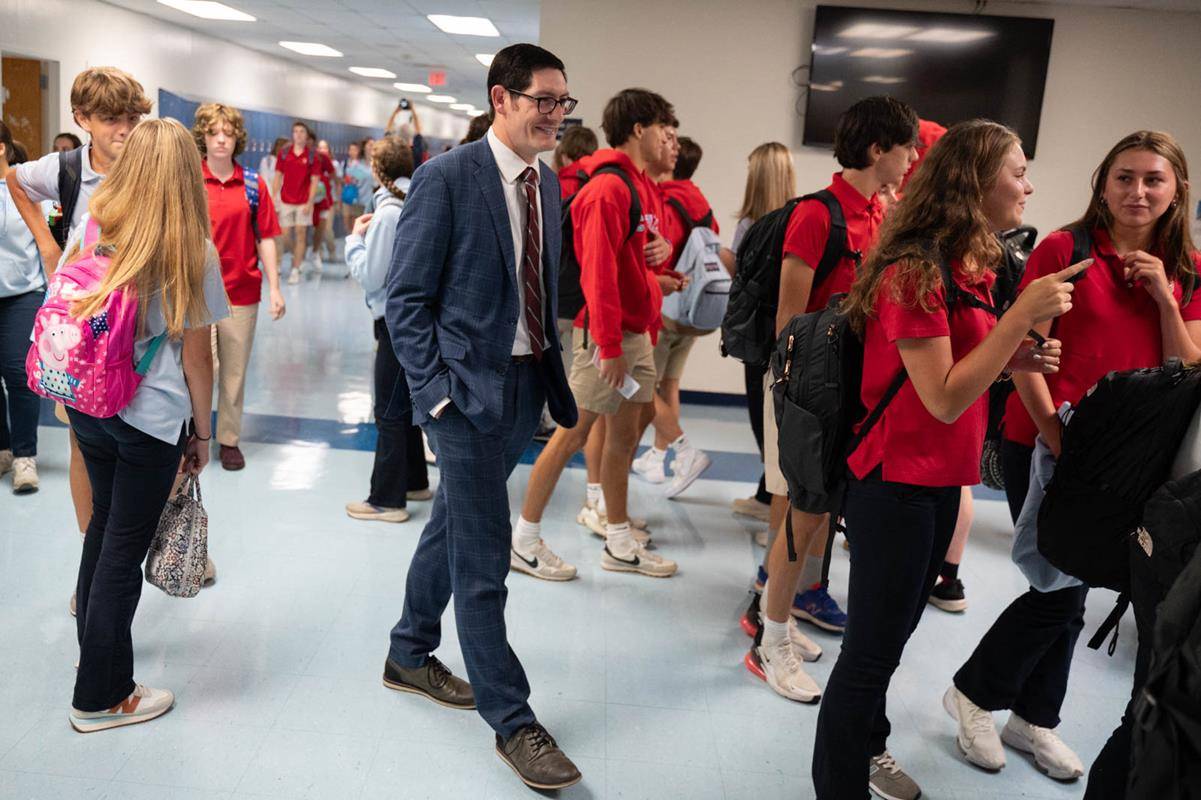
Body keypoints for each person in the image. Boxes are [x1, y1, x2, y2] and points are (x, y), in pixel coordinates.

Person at [810, 119, 1084, 800]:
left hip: (935, 480)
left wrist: (1014, 355)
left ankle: (866, 751)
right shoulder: (913, 267)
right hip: (893, 483)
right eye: (1016, 171)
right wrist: (1020, 318)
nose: (1027, 183)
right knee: (869, 657)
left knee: (890, 641)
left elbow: (964, 371)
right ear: (974, 179)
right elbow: (938, 397)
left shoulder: (968, 265)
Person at [944, 131, 1201, 792]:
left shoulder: (1188, 267)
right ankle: (975, 692)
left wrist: (1164, 300)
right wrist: (1059, 443)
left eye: (1152, 179)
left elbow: (1190, 366)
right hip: (1047, 438)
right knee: (1059, 586)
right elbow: (1024, 351)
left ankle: (1031, 715)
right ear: (1101, 182)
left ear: (1176, 189)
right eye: (1123, 177)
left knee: (1076, 583)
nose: (1136, 192)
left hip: (1135, 457)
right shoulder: (1068, 249)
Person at [383, 43, 582, 790]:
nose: (556, 115)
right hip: (463, 396)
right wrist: (434, 396)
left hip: (525, 387)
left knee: (454, 526)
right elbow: (405, 302)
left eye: (564, 102)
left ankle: (408, 651)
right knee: (484, 555)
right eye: (543, 100)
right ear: (501, 99)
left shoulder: (547, 184)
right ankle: (513, 719)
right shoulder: (447, 179)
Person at [744, 98, 919, 709]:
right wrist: (798, 404)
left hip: (851, 389)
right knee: (797, 510)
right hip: (809, 392)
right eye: (907, 147)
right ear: (878, 151)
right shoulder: (818, 217)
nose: (913, 158)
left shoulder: (879, 212)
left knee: (814, 514)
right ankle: (768, 634)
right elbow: (790, 320)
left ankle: (779, 615)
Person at [65, 118, 229, 733]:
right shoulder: (192, 249)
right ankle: (102, 695)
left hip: (88, 404)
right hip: (148, 419)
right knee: (121, 552)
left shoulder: (97, 224)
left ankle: (95, 663)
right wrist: (203, 435)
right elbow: (196, 359)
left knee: (102, 531)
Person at [514, 88, 678, 581]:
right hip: (606, 336)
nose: (670, 138)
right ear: (638, 130)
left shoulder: (643, 187)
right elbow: (598, 275)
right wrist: (607, 344)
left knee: (624, 440)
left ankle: (619, 540)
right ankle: (523, 540)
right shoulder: (607, 189)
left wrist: (662, 253)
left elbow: (639, 258)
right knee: (571, 434)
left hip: (637, 331)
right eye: (664, 129)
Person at [6, 66, 151, 610]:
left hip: (144, 328)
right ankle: (95, 564)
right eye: (112, 119)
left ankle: (169, 544)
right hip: (82, 332)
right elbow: (15, 179)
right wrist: (46, 242)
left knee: (159, 443)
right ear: (82, 119)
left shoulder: (149, 163)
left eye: (134, 117)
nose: (125, 129)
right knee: (84, 445)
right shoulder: (67, 168)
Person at [192, 103, 286, 472]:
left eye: (227, 134)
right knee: (199, 368)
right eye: (213, 132)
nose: (220, 140)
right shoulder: (190, 180)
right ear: (202, 136)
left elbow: (265, 239)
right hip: (196, 294)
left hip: (241, 293)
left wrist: (276, 287)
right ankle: (194, 434)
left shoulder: (251, 184)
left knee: (233, 371)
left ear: (237, 139)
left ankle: (228, 439)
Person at [344, 135, 431, 522]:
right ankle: (414, 480)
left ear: (377, 170)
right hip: (418, 322)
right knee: (405, 404)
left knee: (388, 410)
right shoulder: (418, 200)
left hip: (394, 323)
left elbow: (371, 275)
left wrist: (354, 242)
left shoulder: (388, 213)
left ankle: (387, 499)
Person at [631, 135, 720, 496]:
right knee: (669, 384)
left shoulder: (665, 199)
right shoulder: (701, 201)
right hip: (694, 310)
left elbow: (654, 250)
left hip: (665, 306)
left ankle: (682, 450)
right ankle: (657, 456)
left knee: (641, 386)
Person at [729, 142, 796, 528]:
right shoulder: (800, 220)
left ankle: (776, 510)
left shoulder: (750, 226)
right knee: (781, 423)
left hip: (757, 339)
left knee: (765, 423)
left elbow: (742, 281)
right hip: (789, 336)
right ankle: (764, 493)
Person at [0, 122, 44, 493]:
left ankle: (24, 456)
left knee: (18, 372)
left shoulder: (23, 188)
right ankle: (2, 448)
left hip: (22, 294)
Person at [271, 121, 319, 284]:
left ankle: (295, 269)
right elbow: (277, 176)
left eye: (302, 132)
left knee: (300, 233)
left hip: (303, 202)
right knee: (284, 235)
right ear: (292, 135)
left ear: (306, 136)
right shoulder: (284, 153)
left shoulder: (312, 156)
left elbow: (314, 180)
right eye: (296, 131)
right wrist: (273, 197)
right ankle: (297, 255)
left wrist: (310, 202)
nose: (298, 134)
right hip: (285, 200)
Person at [311, 138, 339, 267]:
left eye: (325, 147)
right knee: (316, 229)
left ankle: (331, 250)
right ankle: (319, 253)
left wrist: (338, 199)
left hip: (330, 201)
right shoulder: (313, 161)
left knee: (327, 229)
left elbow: (337, 181)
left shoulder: (334, 164)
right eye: (320, 147)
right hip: (314, 201)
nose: (322, 150)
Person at [340, 141, 372, 237]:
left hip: (365, 199)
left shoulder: (364, 164)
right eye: (351, 150)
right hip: (352, 196)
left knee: (360, 225)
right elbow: (346, 177)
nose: (353, 152)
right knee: (350, 222)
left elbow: (369, 179)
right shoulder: (350, 163)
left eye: (355, 150)